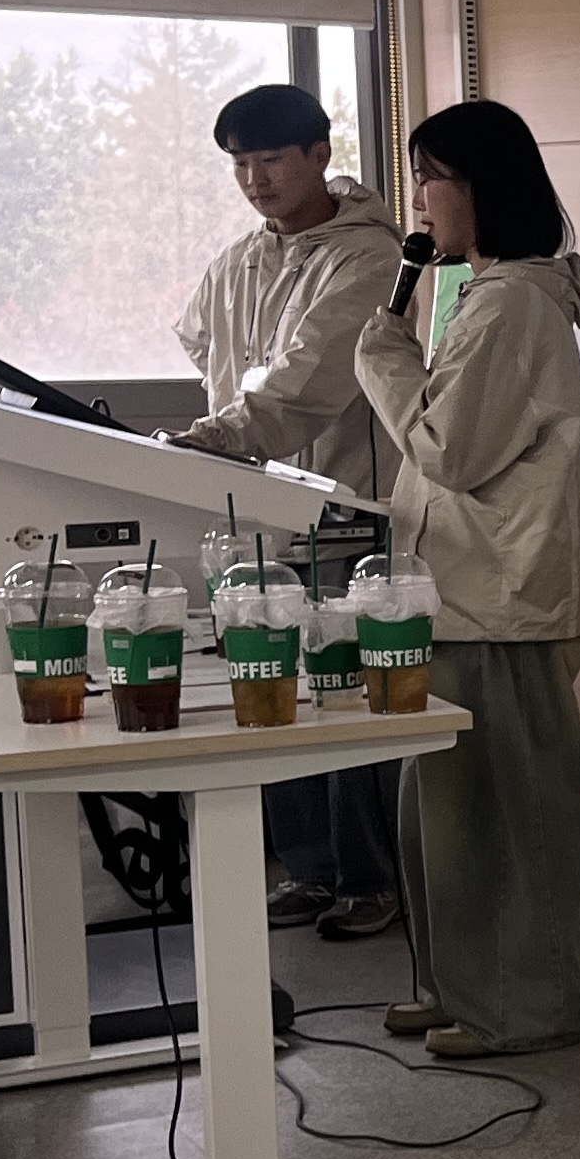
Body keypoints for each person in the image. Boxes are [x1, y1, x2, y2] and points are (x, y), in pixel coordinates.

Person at [356, 99, 580, 1059]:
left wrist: (383, 359)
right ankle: (460, 986)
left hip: (502, 604)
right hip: (457, 598)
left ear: (482, 188)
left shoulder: (511, 306)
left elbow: (451, 450)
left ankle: (523, 1007)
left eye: (433, 179)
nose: (419, 200)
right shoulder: (483, 293)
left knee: (505, 818)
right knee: (444, 820)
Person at [175, 83, 407, 941]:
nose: (255, 179)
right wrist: (222, 436)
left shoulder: (369, 258)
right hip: (257, 515)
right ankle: (310, 869)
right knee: (271, 691)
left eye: (271, 159)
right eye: (240, 164)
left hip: (345, 511)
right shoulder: (239, 259)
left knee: (345, 696)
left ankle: (370, 879)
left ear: (319, 154)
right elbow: (203, 345)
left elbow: (308, 381)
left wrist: (219, 435)